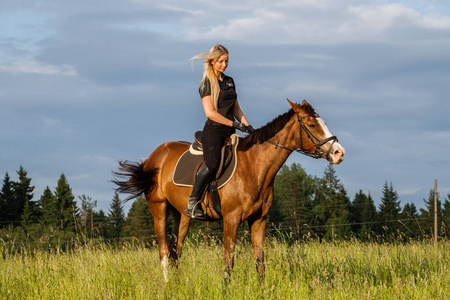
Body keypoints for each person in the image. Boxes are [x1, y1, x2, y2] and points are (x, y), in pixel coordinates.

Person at [185, 44, 254, 218]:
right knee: (213, 164)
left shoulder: (230, 81)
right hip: (214, 132)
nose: (225, 64)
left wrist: (247, 125)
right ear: (212, 62)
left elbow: (236, 108)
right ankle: (193, 202)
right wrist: (233, 124)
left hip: (231, 132)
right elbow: (210, 113)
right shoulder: (207, 83)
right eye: (221, 61)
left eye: (227, 61)